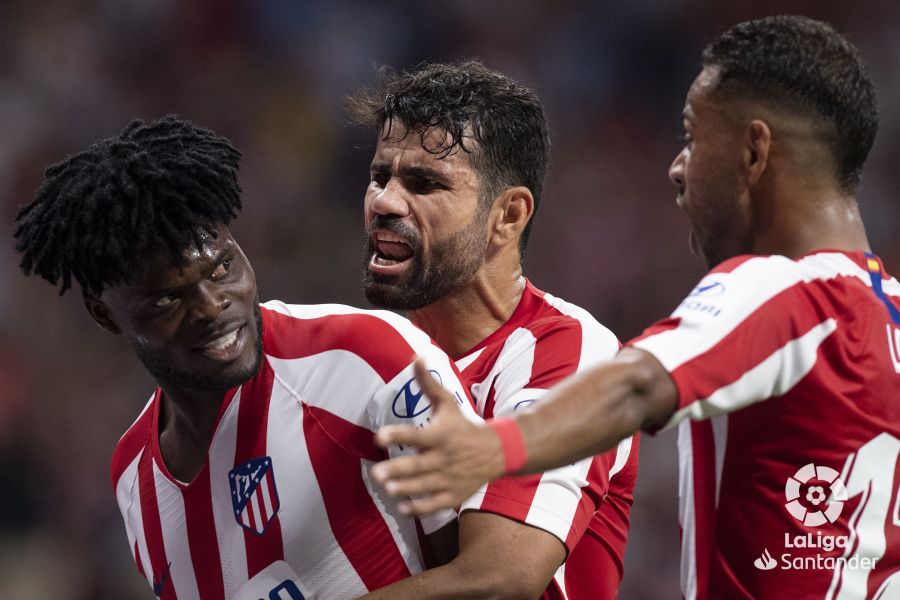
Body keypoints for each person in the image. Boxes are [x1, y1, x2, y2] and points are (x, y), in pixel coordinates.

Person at [371, 16, 900, 599]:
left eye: (694, 138)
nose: (678, 168)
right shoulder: (887, 311)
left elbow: (636, 385)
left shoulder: (783, 289)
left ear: (754, 152)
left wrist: (492, 447)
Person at [13, 116, 483, 599]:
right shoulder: (135, 476)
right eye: (168, 299)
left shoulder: (364, 358)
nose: (213, 304)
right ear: (104, 314)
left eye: (221, 266)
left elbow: (500, 574)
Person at [348, 61, 639, 599]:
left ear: (507, 216)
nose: (384, 202)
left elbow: (499, 580)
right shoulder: (361, 362)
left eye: (424, 182)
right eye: (379, 176)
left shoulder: (574, 355)